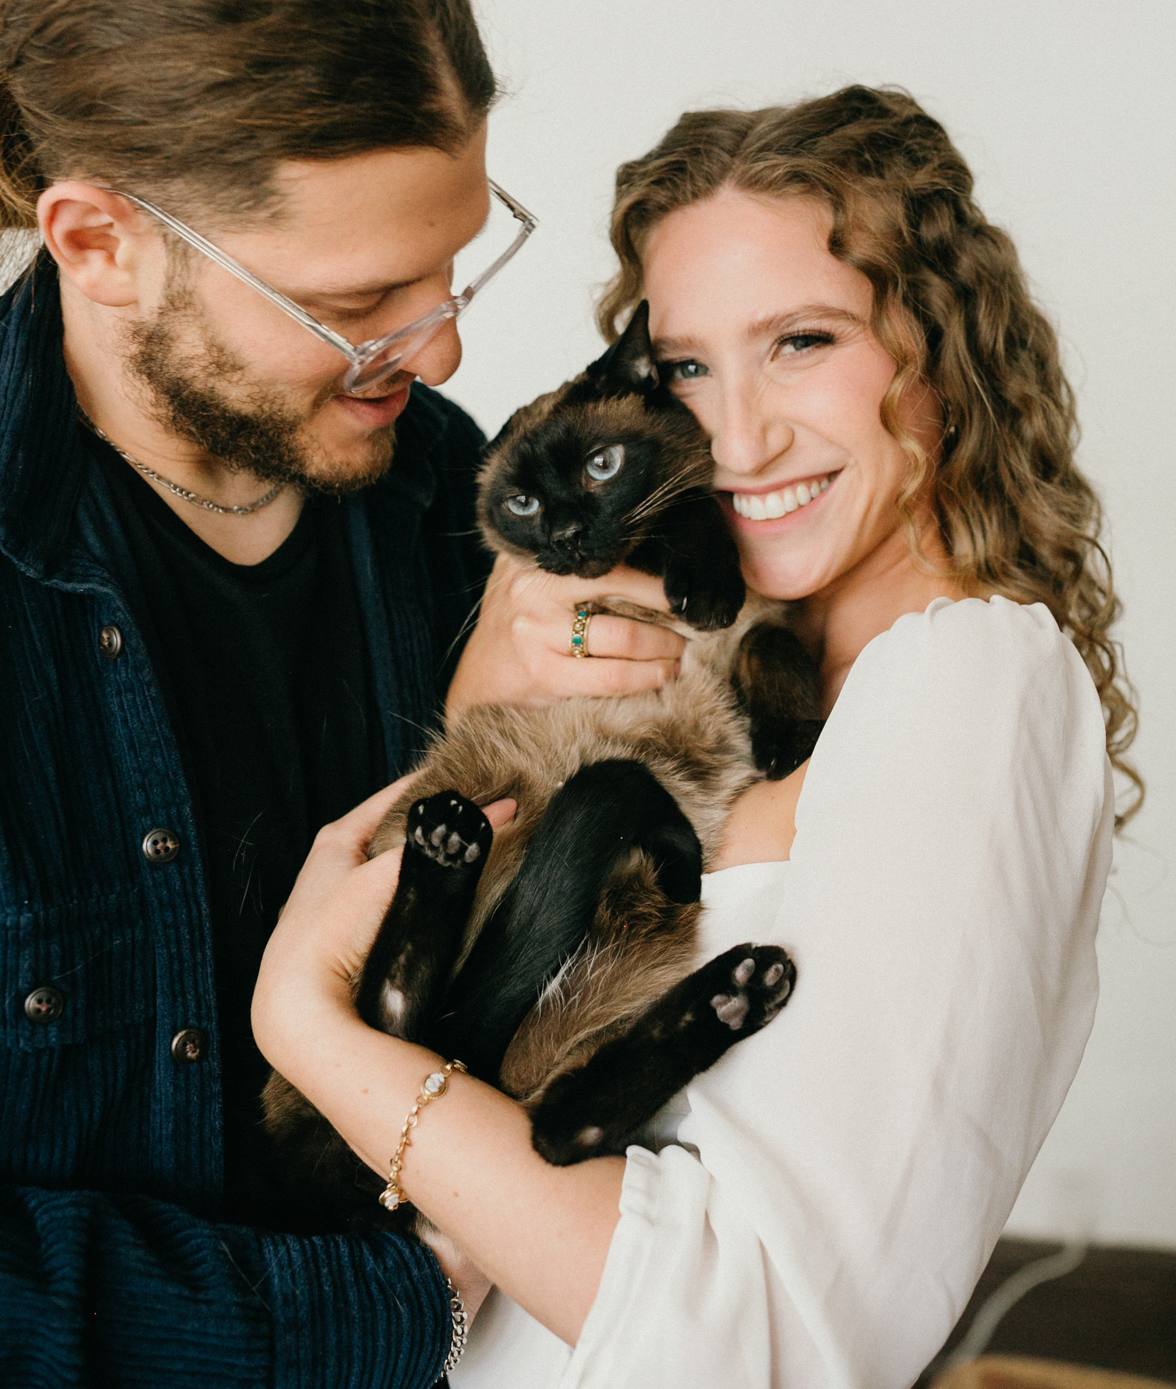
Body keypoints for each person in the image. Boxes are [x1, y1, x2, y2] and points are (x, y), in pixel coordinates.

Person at [252, 85, 1136, 1388]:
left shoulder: (967, 681)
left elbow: (761, 1339)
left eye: (804, 342)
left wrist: (315, 1034)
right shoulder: (744, 663)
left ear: (940, 346)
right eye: (685, 365)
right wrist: (489, 700)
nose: (736, 433)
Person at [0, 0, 539, 1386]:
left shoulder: (450, 497)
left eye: (453, 274)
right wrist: (380, 1310)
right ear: (101, 243)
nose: (440, 356)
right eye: (358, 306)